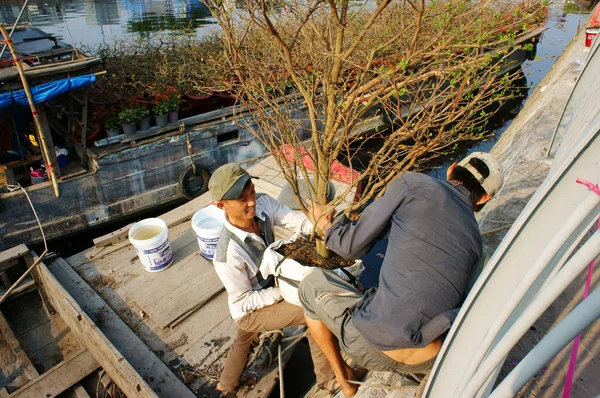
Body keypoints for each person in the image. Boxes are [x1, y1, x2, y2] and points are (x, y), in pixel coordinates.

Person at [299, 152, 504, 397]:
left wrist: (326, 225)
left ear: (451, 170)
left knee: (310, 285)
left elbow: (348, 246)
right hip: (428, 357)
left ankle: (343, 380)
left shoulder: (414, 184)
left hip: (370, 346)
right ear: (484, 198)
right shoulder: (475, 243)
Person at [208, 163, 336, 395]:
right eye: (242, 199)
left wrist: (321, 222)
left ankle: (225, 385)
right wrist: (284, 292)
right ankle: (327, 379)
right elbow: (244, 301)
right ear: (220, 205)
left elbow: (298, 222)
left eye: (252, 192)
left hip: (267, 285)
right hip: (249, 309)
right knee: (314, 312)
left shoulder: (263, 203)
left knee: (242, 342)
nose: (251, 202)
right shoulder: (227, 254)